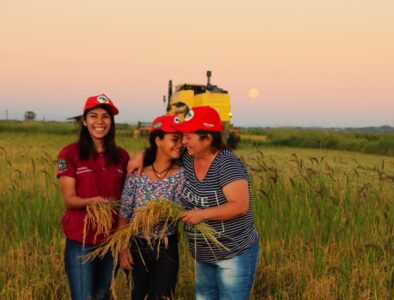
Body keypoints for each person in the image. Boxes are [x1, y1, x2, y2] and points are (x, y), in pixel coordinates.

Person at [128, 106, 259, 300]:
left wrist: (202, 214)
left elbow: (239, 206)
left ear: (207, 138)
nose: (183, 142)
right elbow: (161, 150)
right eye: (182, 136)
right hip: (203, 254)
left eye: (189, 137)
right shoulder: (188, 158)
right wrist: (141, 154)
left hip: (233, 254)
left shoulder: (227, 164)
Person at [57, 94, 130, 300]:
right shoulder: (69, 153)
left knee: (103, 296)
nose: (100, 121)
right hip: (81, 240)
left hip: (111, 241)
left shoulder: (122, 156)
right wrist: (92, 202)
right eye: (94, 116)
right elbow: (69, 199)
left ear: (111, 122)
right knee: (83, 296)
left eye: (105, 116)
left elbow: (127, 198)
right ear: (84, 120)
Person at [119, 115, 184, 300]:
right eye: (174, 139)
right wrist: (123, 249)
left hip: (166, 247)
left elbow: (182, 210)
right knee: (138, 295)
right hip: (137, 246)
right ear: (158, 140)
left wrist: (165, 212)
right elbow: (125, 213)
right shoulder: (137, 175)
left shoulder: (182, 175)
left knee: (163, 296)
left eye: (181, 139)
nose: (180, 144)